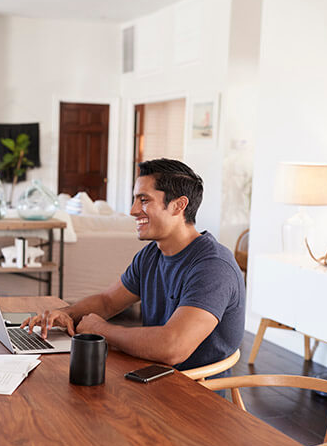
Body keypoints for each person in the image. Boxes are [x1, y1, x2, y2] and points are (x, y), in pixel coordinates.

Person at [22, 158, 245, 371]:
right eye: (135, 200)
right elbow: (108, 302)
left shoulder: (212, 267)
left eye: (144, 200)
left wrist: (101, 330)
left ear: (179, 205)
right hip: (152, 374)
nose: (132, 210)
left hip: (194, 393)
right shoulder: (151, 254)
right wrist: (65, 315)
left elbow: (172, 347)